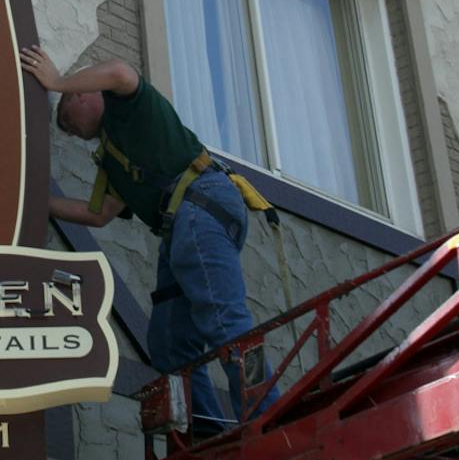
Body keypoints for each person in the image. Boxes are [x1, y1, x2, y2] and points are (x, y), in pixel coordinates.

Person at [21, 46, 277, 430]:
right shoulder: (113, 154)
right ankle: (207, 432)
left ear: (82, 94)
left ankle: (268, 419)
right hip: (182, 223)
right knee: (169, 343)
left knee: (225, 319)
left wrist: (56, 81)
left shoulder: (126, 107)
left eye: (67, 120)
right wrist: (31, 200)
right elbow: (99, 214)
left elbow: (121, 72)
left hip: (200, 202)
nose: (70, 133)